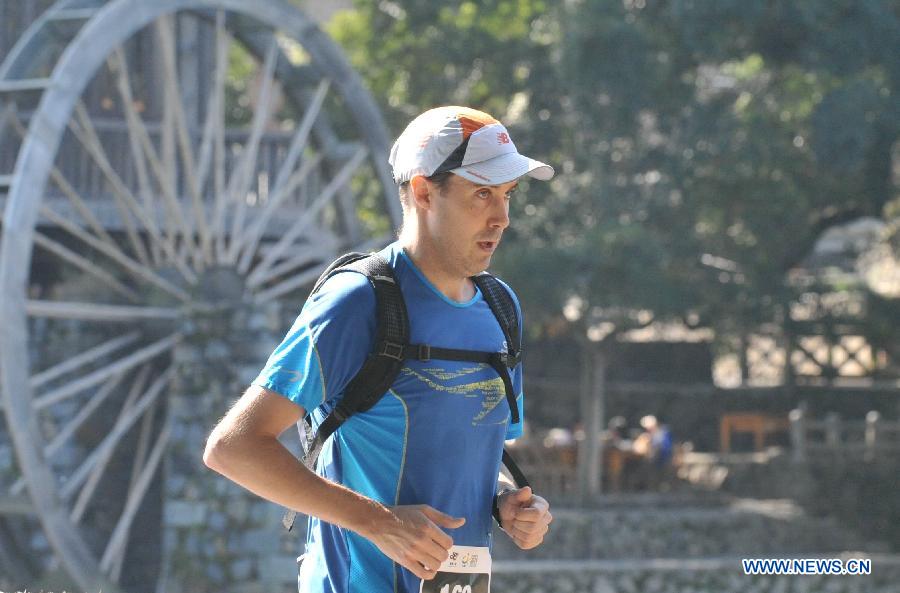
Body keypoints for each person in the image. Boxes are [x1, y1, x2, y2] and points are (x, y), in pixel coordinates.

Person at [204, 106, 555, 592]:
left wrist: (505, 505)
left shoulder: (500, 307)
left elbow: (464, 457)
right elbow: (232, 448)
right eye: (481, 194)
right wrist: (379, 522)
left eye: (507, 195)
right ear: (423, 191)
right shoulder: (358, 302)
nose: (502, 217)